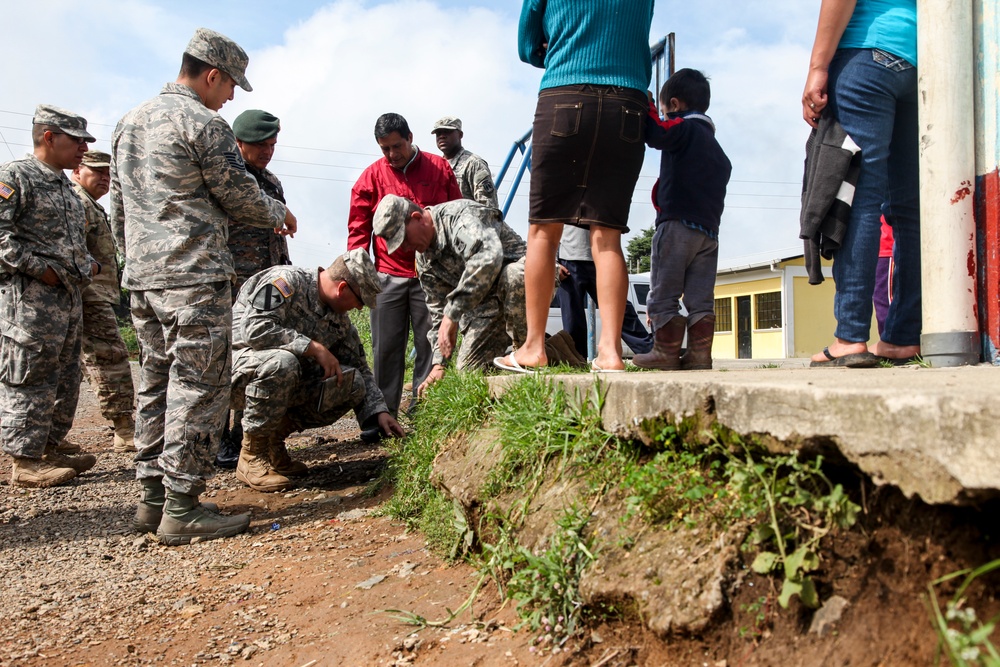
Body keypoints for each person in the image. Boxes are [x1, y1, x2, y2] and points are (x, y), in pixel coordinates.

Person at [111, 28, 298, 545]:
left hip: (144, 280)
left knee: (155, 383)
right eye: (231, 85)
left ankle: (151, 501)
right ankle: (183, 506)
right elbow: (238, 195)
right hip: (194, 276)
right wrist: (278, 213)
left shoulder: (128, 123)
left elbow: (118, 208)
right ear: (211, 75)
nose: (232, 96)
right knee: (198, 386)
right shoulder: (205, 124)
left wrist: (134, 262)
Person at [498, 0, 654, 373]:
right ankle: (611, 353)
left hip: (565, 93)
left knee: (543, 231)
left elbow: (526, 46)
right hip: (629, 103)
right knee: (608, 235)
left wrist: (564, 45)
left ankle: (534, 347)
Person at [802, 0, 920, 367]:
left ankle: (850, 336)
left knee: (858, 198)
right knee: (908, 209)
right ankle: (902, 337)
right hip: (918, 64)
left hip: (866, 57)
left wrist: (818, 68)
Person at [230, 249, 403, 492]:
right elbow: (254, 328)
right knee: (283, 362)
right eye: (359, 301)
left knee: (352, 383)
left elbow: (361, 368)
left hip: (281, 380)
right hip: (238, 372)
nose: (359, 309)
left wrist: (379, 411)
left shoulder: (339, 321)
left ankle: (272, 443)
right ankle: (251, 455)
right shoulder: (286, 281)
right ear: (342, 288)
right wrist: (313, 348)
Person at [0, 105, 100, 487]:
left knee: (66, 376)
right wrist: (38, 268)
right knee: (31, 375)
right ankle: (25, 462)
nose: (82, 149)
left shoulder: (65, 188)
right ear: (48, 137)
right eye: (76, 141)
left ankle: (48, 447)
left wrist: (89, 265)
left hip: (67, 299)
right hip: (30, 301)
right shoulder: (15, 176)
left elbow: (73, 244)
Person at [347, 113, 462, 437]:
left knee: (433, 345)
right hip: (388, 276)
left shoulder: (439, 170)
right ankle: (380, 420)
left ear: (410, 138)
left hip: (432, 278)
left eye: (397, 146)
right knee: (385, 350)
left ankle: (425, 417)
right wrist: (362, 273)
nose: (392, 154)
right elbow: (358, 229)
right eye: (385, 149)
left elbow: (454, 214)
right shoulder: (370, 178)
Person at [373, 195, 526, 393]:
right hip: (487, 308)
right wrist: (439, 364)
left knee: (512, 275)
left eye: (404, 239)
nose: (405, 248)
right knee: (467, 375)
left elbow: (488, 257)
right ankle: (556, 348)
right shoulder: (424, 261)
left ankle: (526, 352)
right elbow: (438, 314)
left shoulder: (458, 220)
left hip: (526, 282)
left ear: (417, 217)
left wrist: (452, 312)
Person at [633, 69, 732, 371]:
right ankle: (700, 355)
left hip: (676, 226)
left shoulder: (684, 129)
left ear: (674, 105)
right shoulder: (718, 151)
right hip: (709, 234)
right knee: (701, 297)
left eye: (665, 110)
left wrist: (646, 104)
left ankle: (664, 353)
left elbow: (657, 134)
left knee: (664, 290)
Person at [216, 109, 292, 469]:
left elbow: (276, 231)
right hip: (232, 284)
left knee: (259, 354)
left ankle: (242, 436)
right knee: (225, 359)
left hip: (264, 286)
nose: (268, 151)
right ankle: (216, 439)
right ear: (239, 143)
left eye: (273, 144)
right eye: (260, 145)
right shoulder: (227, 178)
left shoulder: (272, 182)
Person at [70, 150, 137, 453]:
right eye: (96, 172)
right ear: (77, 171)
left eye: (108, 174)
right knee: (110, 358)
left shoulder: (89, 205)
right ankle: (124, 429)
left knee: (75, 365)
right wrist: (90, 275)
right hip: (88, 293)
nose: (104, 178)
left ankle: (52, 439)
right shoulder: (79, 203)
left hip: (93, 293)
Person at [557, 224, 653, 359]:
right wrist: (555, 261)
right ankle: (577, 359)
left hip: (603, 258)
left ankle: (648, 352)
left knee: (621, 309)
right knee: (572, 317)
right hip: (568, 259)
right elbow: (550, 225)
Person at [431, 116, 498, 208]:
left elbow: (488, 206)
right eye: (438, 133)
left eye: (447, 132)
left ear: (460, 135)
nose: (442, 136)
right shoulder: (435, 167)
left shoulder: (474, 163)